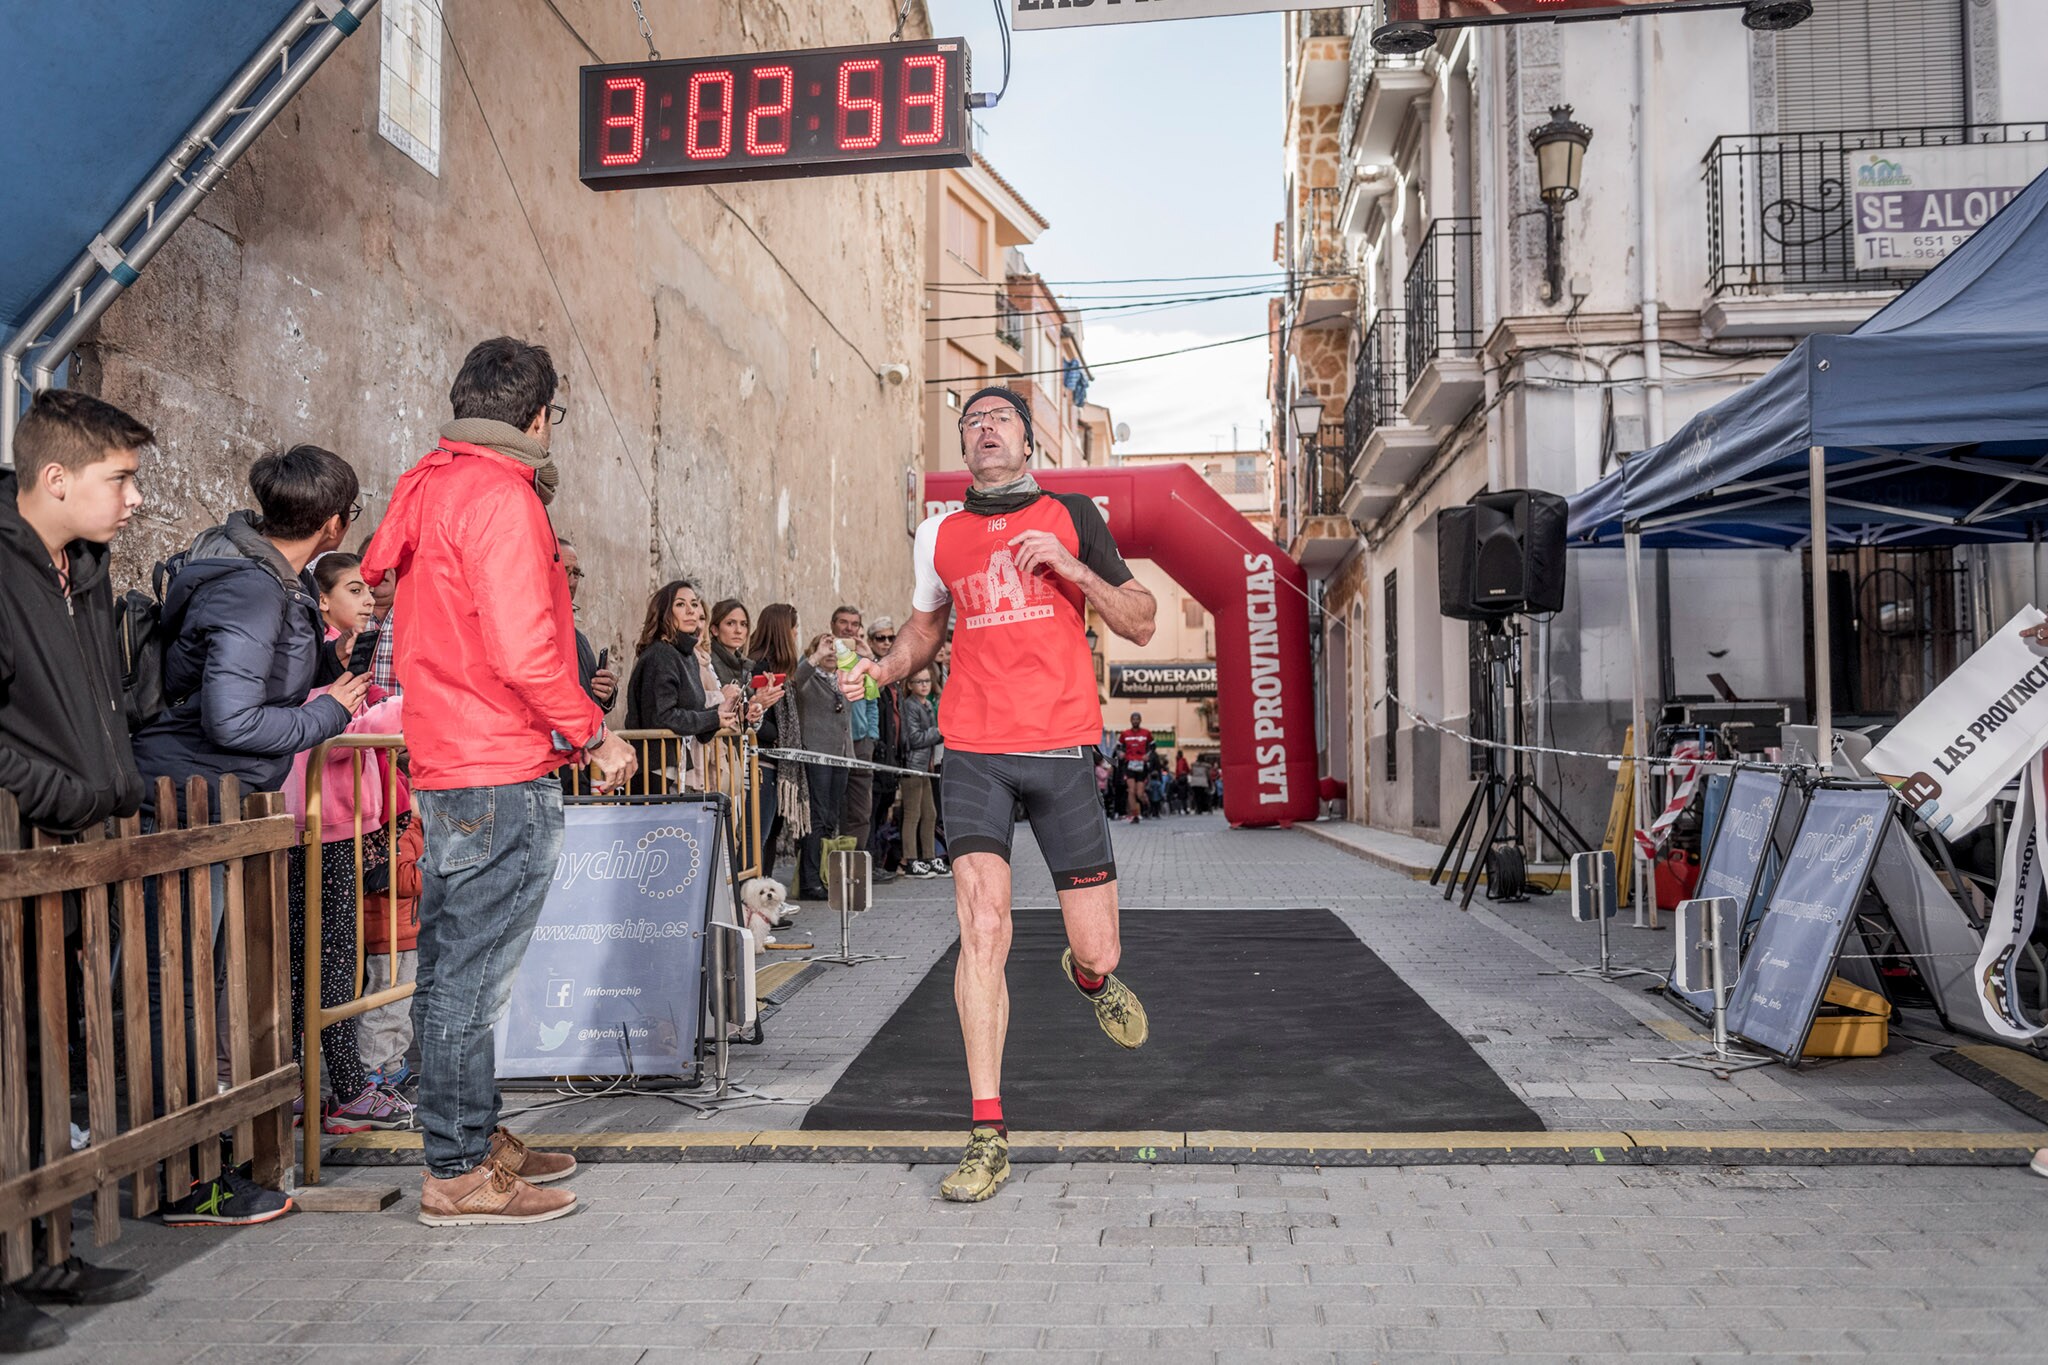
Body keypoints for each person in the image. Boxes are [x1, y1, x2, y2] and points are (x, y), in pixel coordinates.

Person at [842, 383, 1158, 1203]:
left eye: (1000, 421)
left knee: (1101, 947)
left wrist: (1070, 566)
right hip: (975, 750)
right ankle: (988, 1130)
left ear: (1029, 443)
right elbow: (923, 629)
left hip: (1059, 751)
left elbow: (1142, 619)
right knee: (982, 926)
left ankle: (1088, 977)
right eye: (971, 424)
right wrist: (882, 669)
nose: (984, 431)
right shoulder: (938, 533)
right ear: (964, 446)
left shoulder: (1074, 513)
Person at [362, 335, 637, 1227]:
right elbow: (526, 650)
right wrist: (594, 733)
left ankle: (472, 1139)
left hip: (448, 755)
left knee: (451, 966)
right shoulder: (501, 496)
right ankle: (456, 1167)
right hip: (499, 759)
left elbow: (374, 576)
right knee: (471, 982)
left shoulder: (429, 482)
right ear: (539, 416)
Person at [135, 440, 364, 1228]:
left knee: (191, 986)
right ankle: (179, 1175)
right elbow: (231, 716)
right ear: (333, 522)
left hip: (204, 797)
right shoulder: (253, 589)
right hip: (192, 800)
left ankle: (193, 1164)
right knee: (179, 990)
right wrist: (327, 710)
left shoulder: (255, 573)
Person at [0, 390, 153, 1349]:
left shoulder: (86, 571)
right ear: (55, 478)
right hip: (19, 839)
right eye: (120, 480)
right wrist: (60, 793)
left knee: (45, 1060)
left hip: (73, 850)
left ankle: (40, 1250)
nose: (133, 499)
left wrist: (112, 784)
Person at [280, 553, 412, 1133]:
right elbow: (337, 729)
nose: (367, 598)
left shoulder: (341, 658)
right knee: (322, 965)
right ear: (323, 600)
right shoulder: (312, 657)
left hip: (344, 828)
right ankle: (333, 1090)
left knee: (333, 963)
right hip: (316, 829)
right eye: (354, 589)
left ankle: (331, 1087)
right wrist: (412, 702)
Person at [625, 580, 736, 791]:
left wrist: (721, 713)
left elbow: (692, 714)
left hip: (680, 767)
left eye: (694, 604)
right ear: (665, 612)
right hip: (656, 770)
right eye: (680, 604)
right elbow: (663, 716)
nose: (691, 611)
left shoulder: (687, 655)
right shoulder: (661, 654)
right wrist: (713, 717)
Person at [746, 603, 805, 882]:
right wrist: (782, 736)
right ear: (785, 631)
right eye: (794, 629)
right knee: (760, 835)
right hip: (764, 764)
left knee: (771, 833)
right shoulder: (761, 667)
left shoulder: (782, 669)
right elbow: (756, 718)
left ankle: (766, 899)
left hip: (778, 763)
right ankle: (755, 901)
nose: (796, 635)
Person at [793, 631, 853, 901]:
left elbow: (872, 680)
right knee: (816, 819)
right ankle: (809, 881)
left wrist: (854, 649)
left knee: (830, 818)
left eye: (834, 647)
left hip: (840, 755)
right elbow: (794, 681)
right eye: (824, 646)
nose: (831, 651)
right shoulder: (810, 677)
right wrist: (815, 656)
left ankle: (824, 875)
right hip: (816, 755)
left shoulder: (845, 677)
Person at [557, 536, 616, 714]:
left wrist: (606, 692)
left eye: (576, 573)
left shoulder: (579, 640)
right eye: (563, 570)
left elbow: (590, 700)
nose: (571, 581)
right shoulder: (530, 630)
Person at [867, 616, 905, 875]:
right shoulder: (870, 669)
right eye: (881, 638)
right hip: (875, 753)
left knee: (884, 810)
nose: (887, 643)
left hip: (893, 756)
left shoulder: (894, 675)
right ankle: (869, 862)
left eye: (891, 638)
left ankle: (879, 861)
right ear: (871, 641)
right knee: (869, 811)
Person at [898, 669, 943, 877]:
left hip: (925, 766)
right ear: (910, 685)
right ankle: (911, 860)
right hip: (913, 765)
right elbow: (915, 738)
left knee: (930, 813)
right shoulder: (910, 706)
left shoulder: (927, 705)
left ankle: (929, 857)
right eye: (919, 681)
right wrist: (940, 731)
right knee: (912, 813)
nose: (924, 685)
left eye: (927, 681)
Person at [1116, 712, 1154, 824]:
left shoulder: (1146, 733)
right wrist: (1121, 753)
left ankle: (1146, 804)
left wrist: (1148, 755)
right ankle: (1135, 815)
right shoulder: (1125, 733)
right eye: (1133, 719)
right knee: (1131, 791)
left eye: (1137, 719)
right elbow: (1118, 746)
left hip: (1141, 764)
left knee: (1139, 793)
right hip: (1129, 764)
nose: (1135, 721)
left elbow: (1153, 746)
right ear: (1131, 720)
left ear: (1140, 720)